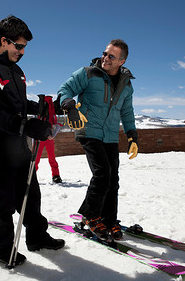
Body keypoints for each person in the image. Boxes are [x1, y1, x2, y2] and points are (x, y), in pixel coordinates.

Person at [0, 15, 65, 267]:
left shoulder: (16, 69)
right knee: (1, 201)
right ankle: (1, 249)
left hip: (19, 145)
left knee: (31, 196)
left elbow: (19, 105)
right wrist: (24, 125)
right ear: (3, 41)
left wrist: (50, 106)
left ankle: (37, 237)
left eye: (24, 48)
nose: (22, 52)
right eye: (18, 46)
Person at [58, 39, 139, 241]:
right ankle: (91, 217)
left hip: (110, 136)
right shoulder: (88, 73)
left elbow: (127, 112)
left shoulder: (126, 84)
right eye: (105, 53)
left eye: (111, 56)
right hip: (89, 131)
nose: (105, 58)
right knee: (102, 173)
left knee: (113, 180)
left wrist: (132, 136)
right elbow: (65, 90)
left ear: (122, 61)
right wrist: (69, 106)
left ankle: (109, 220)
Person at [35, 96, 62, 184]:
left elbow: (55, 123)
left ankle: (56, 175)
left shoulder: (50, 110)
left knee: (49, 158)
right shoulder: (38, 110)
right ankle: (31, 175)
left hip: (45, 138)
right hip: (40, 138)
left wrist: (53, 134)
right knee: (37, 158)